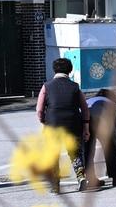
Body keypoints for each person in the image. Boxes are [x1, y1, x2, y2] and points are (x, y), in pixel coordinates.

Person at [37, 57, 92, 191]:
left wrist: (44, 122)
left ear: (54, 70)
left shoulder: (47, 86)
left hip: (53, 125)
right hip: (73, 124)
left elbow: (39, 110)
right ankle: (81, 178)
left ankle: (55, 185)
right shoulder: (75, 87)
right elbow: (85, 109)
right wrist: (86, 128)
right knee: (75, 153)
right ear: (70, 70)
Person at [84, 88, 116, 186]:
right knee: (111, 148)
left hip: (85, 118)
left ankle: (90, 180)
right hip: (103, 118)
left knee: (87, 150)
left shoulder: (90, 101)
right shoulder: (111, 104)